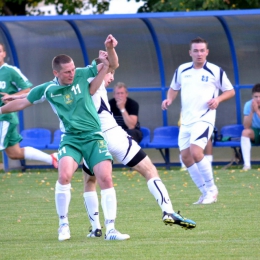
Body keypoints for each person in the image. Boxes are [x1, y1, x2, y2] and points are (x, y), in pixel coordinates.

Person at [0, 35, 130, 241]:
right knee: (64, 176)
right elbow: (21, 103)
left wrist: (109, 48)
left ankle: (111, 230)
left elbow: (112, 64)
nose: (72, 74)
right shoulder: (48, 89)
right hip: (71, 139)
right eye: (67, 72)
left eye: (73, 70)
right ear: (56, 73)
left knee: (105, 178)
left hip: (94, 136)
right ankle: (63, 225)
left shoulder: (82, 73)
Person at [82, 56, 196, 238]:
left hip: (93, 139)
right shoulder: (98, 83)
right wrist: (109, 50)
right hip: (113, 134)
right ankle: (168, 211)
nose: (111, 77)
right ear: (101, 70)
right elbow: (113, 63)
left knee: (89, 181)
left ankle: (96, 228)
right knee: (149, 170)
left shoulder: (79, 85)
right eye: (109, 73)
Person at [162, 37, 235, 204]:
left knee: (196, 152)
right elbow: (174, 88)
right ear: (190, 53)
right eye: (196, 50)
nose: (199, 53)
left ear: (207, 52)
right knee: (186, 157)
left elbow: (230, 91)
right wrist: (169, 100)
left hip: (204, 118)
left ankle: (212, 189)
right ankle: (204, 192)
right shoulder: (182, 70)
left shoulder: (216, 71)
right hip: (186, 120)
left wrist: (218, 100)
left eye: (202, 50)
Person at [0, 42, 58, 169]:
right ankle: (52, 158)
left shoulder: (10, 71)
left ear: (4, 54)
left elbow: (27, 90)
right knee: (15, 153)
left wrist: (11, 96)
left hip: (4, 117)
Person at [241, 83, 260, 170]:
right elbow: (246, 126)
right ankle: (247, 165)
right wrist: (252, 111)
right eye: (256, 96)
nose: (258, 99)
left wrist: (257, 110)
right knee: (245, 132)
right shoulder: (248, 105)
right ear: (252, 96)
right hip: (255, 131)